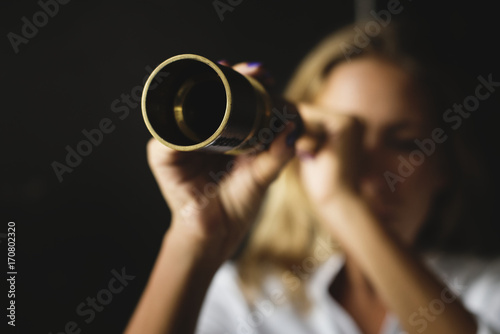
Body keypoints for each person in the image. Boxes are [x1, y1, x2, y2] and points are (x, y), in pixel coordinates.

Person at [124, 20, 500, 334]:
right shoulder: (245, 299)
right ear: (299, 162)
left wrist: (343, 202)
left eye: (404, 143)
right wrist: (195, 240)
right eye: (343, 145)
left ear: (445, 169)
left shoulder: (488, 289)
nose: (360, 172)